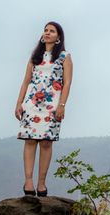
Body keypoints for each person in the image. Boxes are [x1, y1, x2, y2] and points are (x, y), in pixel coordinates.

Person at [14, 21, 73, 197]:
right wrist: (19, 103)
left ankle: (42, 183)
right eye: (45, 30)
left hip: (52, 105)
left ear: (58, 37)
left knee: (46, 142)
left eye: (52, 31)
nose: (47, 33)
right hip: (32, 103)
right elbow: (26, 81)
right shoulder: (35, 57)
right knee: (30, 140)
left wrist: (62, 105)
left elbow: (67, 82)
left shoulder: (64, 56)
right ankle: (28, 181)